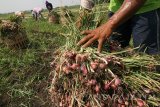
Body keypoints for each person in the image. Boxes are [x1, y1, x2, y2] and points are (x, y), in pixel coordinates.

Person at [77, 0, 160, 55]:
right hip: (117, 7)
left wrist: (110, 24)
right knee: (114, 51)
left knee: (146, 54)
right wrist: (84, 12)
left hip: (147, 8)